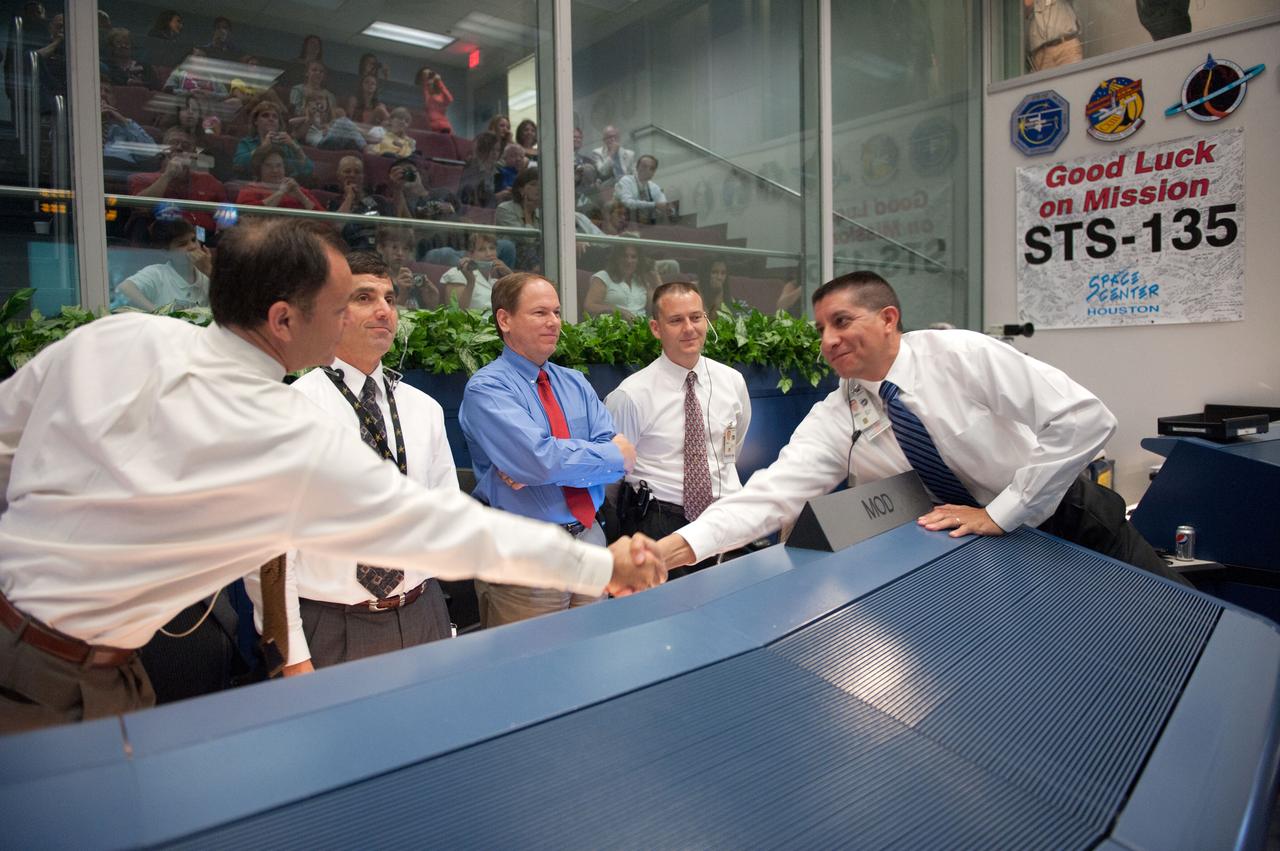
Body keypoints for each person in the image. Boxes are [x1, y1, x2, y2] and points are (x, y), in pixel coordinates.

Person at [0, 217, 665, 733]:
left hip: (61, 647)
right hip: (56, 682)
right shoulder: (285, 431)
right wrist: (601, 568)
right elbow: (442, 528)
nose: (360, 314)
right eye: (343, 301)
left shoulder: (112, 339)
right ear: (284, 319)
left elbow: (6, 440)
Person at [656, 271, 1188, 588]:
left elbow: (1085, 417)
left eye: (842, 321)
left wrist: (1002, 512)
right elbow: (773, 494)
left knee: (1176, 629)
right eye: (820, 328)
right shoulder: (840, 413)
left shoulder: (961, 355)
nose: (828, 339)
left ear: (889, 319)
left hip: (1067, 520)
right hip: (983, 554)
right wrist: (675, 548)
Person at [242, 251, 457, 672]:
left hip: (422, 613)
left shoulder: (423, 408)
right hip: (332, 625)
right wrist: (293, 654)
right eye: (364, 297)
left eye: (390, 299)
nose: (383, 310)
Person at [459, 273, 638, 628]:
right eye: (540, 312)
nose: (554, 321)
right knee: (529, 675)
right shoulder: (487, 388)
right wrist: (603, 456)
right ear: (504, 320)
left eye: (556, 312)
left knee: (592, 665)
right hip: (526, 555)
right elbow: (540, 461)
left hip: (590, 542)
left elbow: (619, 461)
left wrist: (547, 462)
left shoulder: (575, 382)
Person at [606, 282, 751, 579]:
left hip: (725, 521)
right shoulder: (631, 396)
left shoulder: (732, 381)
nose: (689, 328)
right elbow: (611, 474)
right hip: (660, 523)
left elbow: (732, 448)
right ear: (656, 328)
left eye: (696, 317)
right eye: (676, 320)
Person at [130, 127, 228, 237]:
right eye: (173, 143)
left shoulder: (209, 181)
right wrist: (168, 175)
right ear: (163, 149)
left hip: (204, 239)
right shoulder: (143, 179)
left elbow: (227, 213)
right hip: (165, 241)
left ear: (193, 152)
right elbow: (142, 207)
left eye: (186, 146)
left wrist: (222, 228)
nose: (179, 148)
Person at [114, 217, 211, 311]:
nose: (192, 246)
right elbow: (124, 289)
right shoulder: (158, 274)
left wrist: (209, 270)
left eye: (194, 240)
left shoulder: (206, 276)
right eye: (182, 244)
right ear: (165, 252)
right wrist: (157, 313)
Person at [234, 101, 313, 179]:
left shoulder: (288, 143)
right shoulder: (247, 143)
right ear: (256, 121)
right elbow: (239, 164)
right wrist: (263, 147)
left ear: (279, 123)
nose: (271, 119)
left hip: (284, 185)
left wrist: (294, 146)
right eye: (265, 115)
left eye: (275, 116)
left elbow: (308, 169)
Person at [328, 155, 392, 250]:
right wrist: (350, 197)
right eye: (347, 171)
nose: (352, 175)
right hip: (350, 253)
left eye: (357, 172)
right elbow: (335, 230)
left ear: (362, 177)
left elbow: (390, 230)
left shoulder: (378, 201)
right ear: (339, 176)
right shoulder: (335, 203)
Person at [236, 145, 322, 211]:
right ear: (259, 169)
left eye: (279, 165)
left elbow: (326, 220)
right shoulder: (250, 190)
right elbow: (247, 215)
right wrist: (281, 193)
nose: (275, 170)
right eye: (268, 166)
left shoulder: (298, 190)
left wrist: (301, 197)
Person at [584, 243, 656, 320]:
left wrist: (656, 279)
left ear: (639, 260)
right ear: (616, 258)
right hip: (614, 326)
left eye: (633, 257)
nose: (629, 261)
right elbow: (590, 306)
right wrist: (618, 311)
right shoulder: (603, 276)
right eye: (624, 256)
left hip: (640, 327)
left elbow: (656, 309)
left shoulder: (640, 279)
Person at [441, 232, 511, 311]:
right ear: (470, 254)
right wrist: (471, 282)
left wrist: (510, 275)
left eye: (492, 248)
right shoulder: (456, 273)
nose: (489, 254)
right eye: (481, 249)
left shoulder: (495, 280)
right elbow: (455, 311)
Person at [376, 225, 438, 309]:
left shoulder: (415, 281)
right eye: (394, 247)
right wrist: (402, 297)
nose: (400, 253)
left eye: (405, 248)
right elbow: (382, 316)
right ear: (380, 248)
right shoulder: (376, 280)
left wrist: (432, 303)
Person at [289, 92, 364, 151]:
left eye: (321, 99)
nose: (318, 102)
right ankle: (366, 147)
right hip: (321, 144)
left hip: (334, 142)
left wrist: (328, 129)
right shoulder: (307, 120)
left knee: (351, 137)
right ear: (308, 104)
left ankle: (366, 145)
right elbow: (292, 126)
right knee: (343, 122)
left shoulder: (334, 116)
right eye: (314, 100)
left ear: (327, 103)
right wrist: (309, 118)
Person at [1024, 0, 1082, 73]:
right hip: (1042, 53)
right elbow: (1025, 5)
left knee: (1073, 79)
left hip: (1065, 46)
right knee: (1047, 83)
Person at [615, 154, 672, 225]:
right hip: (624, 223)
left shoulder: (654, 187)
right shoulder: (626, 180)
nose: (647, 170)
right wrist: (654, 205)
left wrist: (668, 208)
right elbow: (628, 203)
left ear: (654, 172)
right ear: (637, 167)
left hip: (648, 226)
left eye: (652, 168)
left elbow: (663, 204)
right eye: (644, 166)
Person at [457, 131, 502, 208]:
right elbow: (470, 196)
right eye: (491, 149)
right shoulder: (472, 169)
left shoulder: (497, 170)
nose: (495, 153)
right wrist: (496, 197)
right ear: (482, 150)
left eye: (497, 150)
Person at [417, 67, 453, 134]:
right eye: (425, 76)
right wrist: (425, 80)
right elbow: (426, 100)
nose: (429, 78)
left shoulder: (439, 95)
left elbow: (449, 99)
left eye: (430, 75)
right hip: (430, 128)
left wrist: (439, 81)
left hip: (444, 127)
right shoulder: (423, 94)